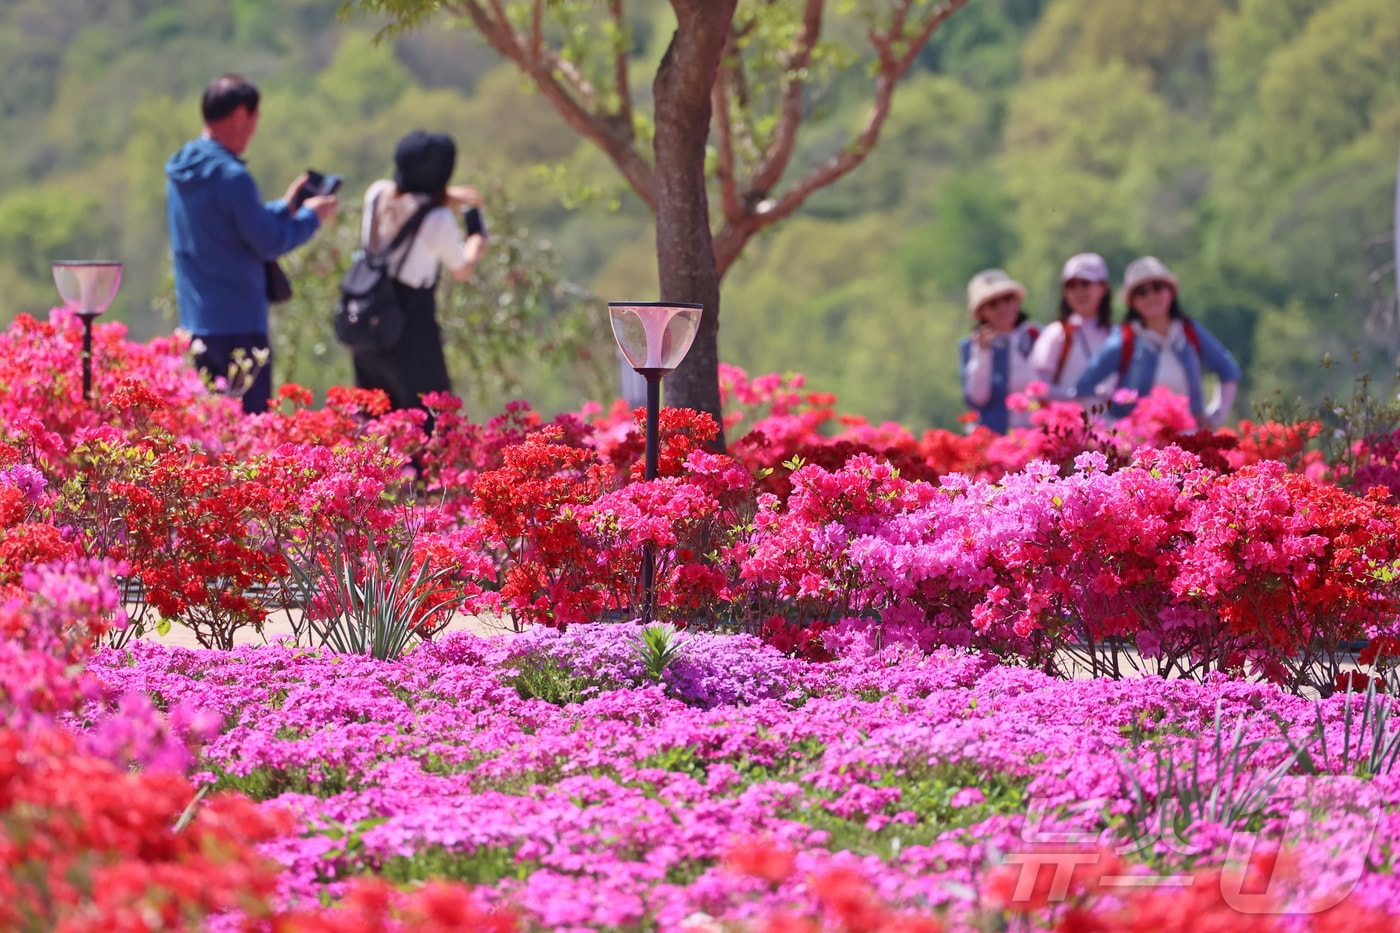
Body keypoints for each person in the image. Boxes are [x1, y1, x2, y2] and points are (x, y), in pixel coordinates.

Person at [166, 74, 338, 414]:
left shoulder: (182, 168)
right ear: (241, 114)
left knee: (208, 433)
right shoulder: (233, 176)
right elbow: (268, 241)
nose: (254, 130)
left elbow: (234, 224)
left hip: (196, 323)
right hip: (239, 327)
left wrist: (285, 206)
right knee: (249, 434)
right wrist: (311, 218)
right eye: (255, 119)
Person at [350, 131, 487, 431]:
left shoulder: (377, 194)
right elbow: (461, 270)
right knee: (432, 427)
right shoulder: (438, 219)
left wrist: (445, 195)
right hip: (411, 332)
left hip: (369, 324)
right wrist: (476, 242)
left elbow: (407, 198)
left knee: (374, 430)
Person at [1073, 256, 1241, 429]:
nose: (1151, 296)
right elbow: (1083, 387)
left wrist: (1216, 417)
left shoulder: (1189, 332)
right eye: (1141, 292)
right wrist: (1112, 427)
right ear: (1132, 301)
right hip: (1140, 445)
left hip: (1189, 438)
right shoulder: (1125, 339)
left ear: (1170, 292)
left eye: (1157, 288)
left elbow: (1228, 369)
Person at [959, 268, 1039, 434]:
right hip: (996, 436)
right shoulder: (971, 346)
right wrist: (983, 353)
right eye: (993, 304)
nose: (1003, 307)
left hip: (1038, 431)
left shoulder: (1038, 336)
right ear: (981, 312)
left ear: (1017, 301)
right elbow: (976, 398)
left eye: (1007, 298)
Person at [1031, 253, 1114, 397]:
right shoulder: (1057, 333)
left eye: (1085, 283)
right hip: (1067, 419)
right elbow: (1037, 387)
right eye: (1071, 285)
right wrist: (1074, 396)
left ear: (1103, 287)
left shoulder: (1117, 335)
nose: (1078, 291)